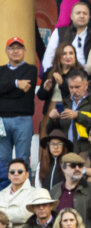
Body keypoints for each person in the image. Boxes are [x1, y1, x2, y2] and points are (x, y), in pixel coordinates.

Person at [0, 38, 37, 186]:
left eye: (19, 48)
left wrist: (4, 90)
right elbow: (15, 90)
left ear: (25, 51)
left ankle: (23, 193)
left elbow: (23, 91)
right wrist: (16, 84)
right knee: (2, 159)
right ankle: (3, 193)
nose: (15, 51)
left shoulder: (31, 69)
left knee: (22, 157)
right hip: (2, 120)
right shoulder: (1, 70)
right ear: (6, 51)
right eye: (12, 48)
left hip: (23, 119)